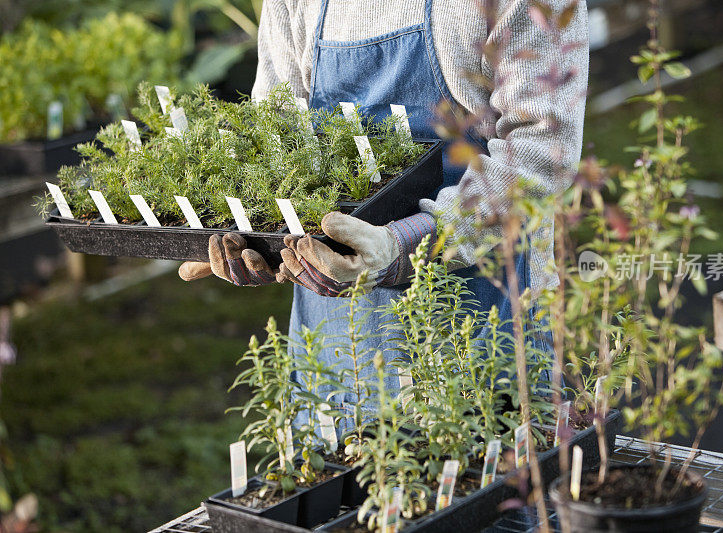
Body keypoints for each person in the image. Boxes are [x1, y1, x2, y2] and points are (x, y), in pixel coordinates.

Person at [179, 0, 588, 424]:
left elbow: (539, 156)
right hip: (335, 327)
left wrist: (403, 244)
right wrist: (256, 235)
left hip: (483, 309)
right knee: (337, 478)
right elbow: (275, 131)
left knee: (482, 476)